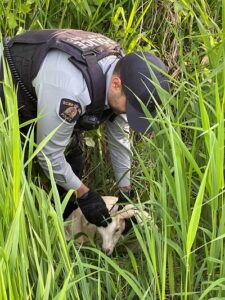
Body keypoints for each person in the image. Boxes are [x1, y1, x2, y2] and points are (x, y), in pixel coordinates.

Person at [0, 29, 169, 228]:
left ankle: (63, 222)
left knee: (73, 160)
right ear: (116, 84)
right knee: (13, 167)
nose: (128, 114)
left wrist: (126, 193)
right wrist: (84, 194)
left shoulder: (125, 74)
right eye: (130, 108)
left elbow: (119, 139)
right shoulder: (71, 90)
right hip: (10, 89)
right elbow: (48, 154)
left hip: (43, 93)